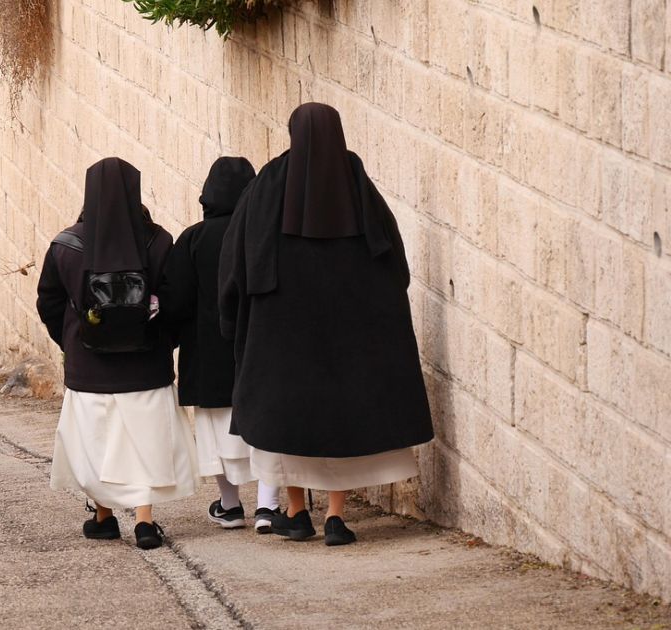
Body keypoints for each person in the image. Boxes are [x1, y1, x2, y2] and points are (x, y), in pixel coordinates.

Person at [217, 103, 434, 546]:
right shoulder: (356, 182)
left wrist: (232, 317)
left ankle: (296, 513)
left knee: (288, 424)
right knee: (341, 421)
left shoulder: (266, 186)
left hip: (281, 333)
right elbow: (394, 260)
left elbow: (236, 259)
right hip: (350, 331)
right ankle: (336, 517)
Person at [36, 157, 200, 550]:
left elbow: (49, 303)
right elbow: (178, 302)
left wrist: (73, 341)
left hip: (88, 369)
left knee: (97, 442)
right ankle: (145, 522)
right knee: (143, 443)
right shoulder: (158, 241)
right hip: (145, 367)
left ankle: (104, 517)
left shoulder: (66, 246)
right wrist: (162, 339)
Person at [159, 157, 281, 533]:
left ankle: (230, 506)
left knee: (216, 431)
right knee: (266, 428)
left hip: (209, 354)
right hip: (259, 348)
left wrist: (173, 339)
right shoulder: (265, 232)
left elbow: (174, 300)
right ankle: (268, 506)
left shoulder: (194, 238)